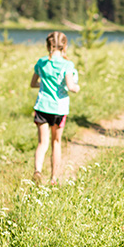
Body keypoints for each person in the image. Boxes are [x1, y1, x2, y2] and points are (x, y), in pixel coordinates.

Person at [30, 32, 80, 185]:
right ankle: (53, 178)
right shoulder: (67, 65)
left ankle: (38, 170)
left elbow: (33, 83)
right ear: (65, 47)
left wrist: (43, 85)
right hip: (59, 109)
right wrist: (76, 88)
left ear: (47, 46)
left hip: (42, 107)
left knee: (42, 143)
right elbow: (70, 86)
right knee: (56, 142)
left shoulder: (41, 62)